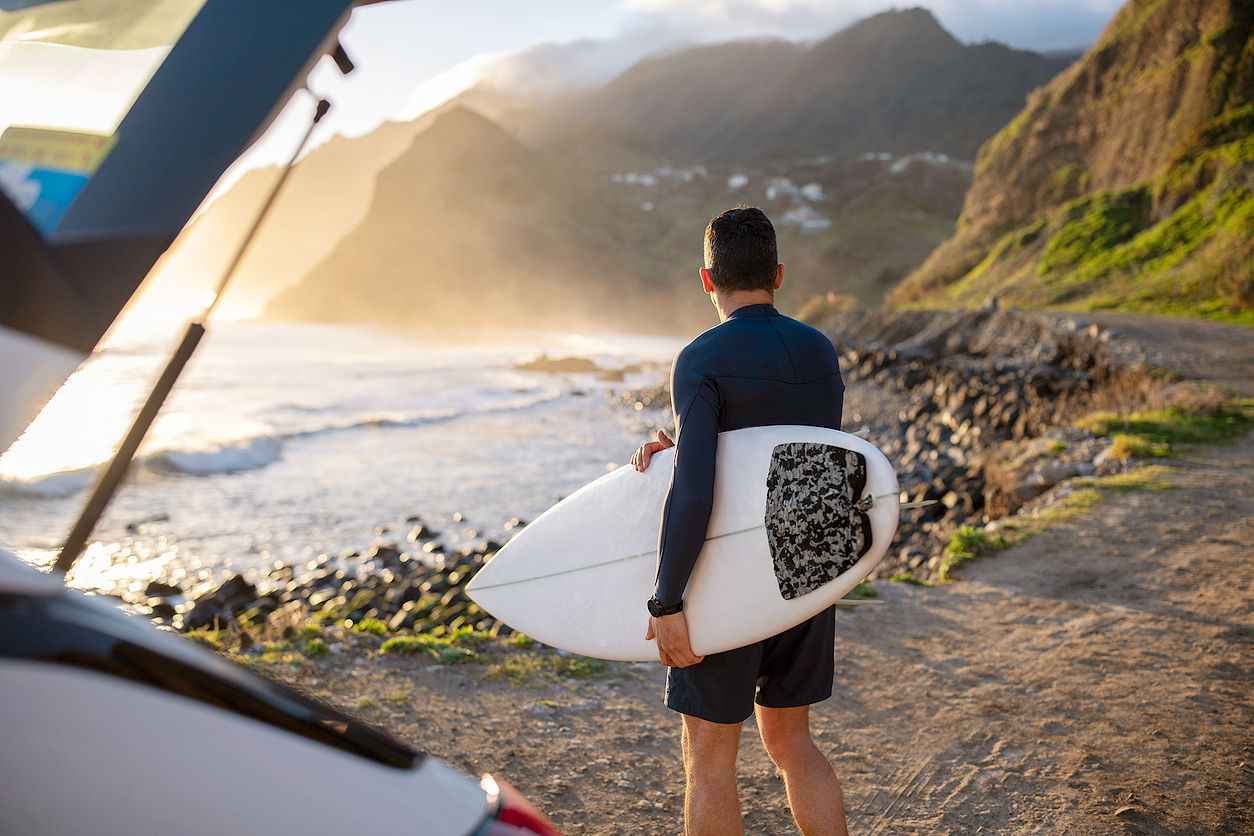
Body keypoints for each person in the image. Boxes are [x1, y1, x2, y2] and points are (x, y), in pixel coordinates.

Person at [631, 206, 848, 836]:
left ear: (707, 281)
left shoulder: (702, 359)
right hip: (807, 569)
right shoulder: (819, 350)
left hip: (729, 575)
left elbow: (695, 490)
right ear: (778, 274)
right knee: (791, 743)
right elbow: (800, 457)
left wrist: (666, 600)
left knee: (710, 760)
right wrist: (683, 439)